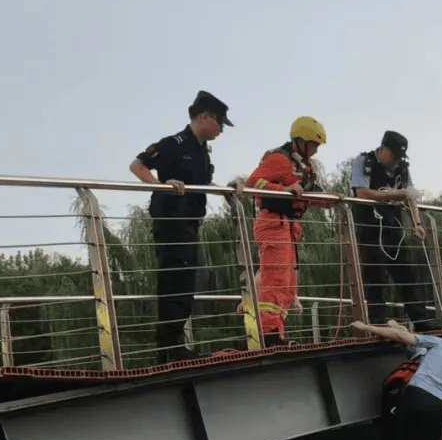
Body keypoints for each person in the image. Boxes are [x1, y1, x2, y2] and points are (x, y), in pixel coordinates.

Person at [130, 89, 232, 364]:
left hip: (189, 222)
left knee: (186, 282)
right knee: (174, 282)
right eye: (220, 123)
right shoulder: (174, 143)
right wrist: (159, 185)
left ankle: (172, 346)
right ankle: (168, 348)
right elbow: (137, 165)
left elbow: (201, 183)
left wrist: (226, 188)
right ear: (205, 117)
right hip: (171, 220)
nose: (221, 129)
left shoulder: (202, 152)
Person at [239, 117, 336, 346]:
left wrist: (331, 201)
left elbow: (307, 194)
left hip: (289, 227)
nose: (315, 150)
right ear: (300, 141)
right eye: (313, 144)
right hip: (273, 222)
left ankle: (275, 331)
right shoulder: (278, 160)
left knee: (287, 283)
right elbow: (252, 183)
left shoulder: (304, 167)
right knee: (276, 280)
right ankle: (269, 334)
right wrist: (282, 189)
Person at [349, 129, 436, 328]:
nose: (396, 161)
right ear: (383, 150)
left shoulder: (402, 168)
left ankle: (422, 323)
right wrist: (393, 195)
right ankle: (379, 324)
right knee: (375, 277)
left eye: (399, 157)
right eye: (394, 155)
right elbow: (361, 193)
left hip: (395, 229)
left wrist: (417, 224)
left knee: (409, 275)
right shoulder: (363, 161)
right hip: (370, 228)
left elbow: (409, 196)